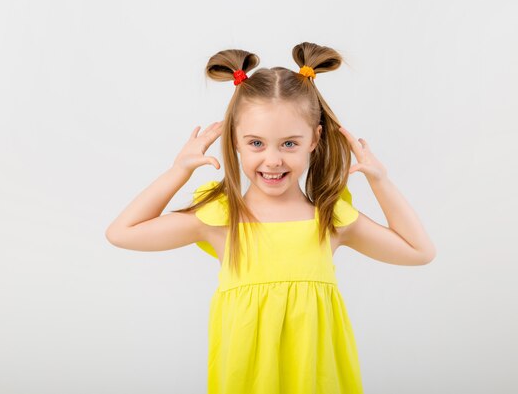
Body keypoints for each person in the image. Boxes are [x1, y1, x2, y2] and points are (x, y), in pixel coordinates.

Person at [105, 41, 437, 394]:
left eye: (289, 144)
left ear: (315, 138)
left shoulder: (331, 218)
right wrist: (178, 171)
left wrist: (381, 182)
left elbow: (419, 251)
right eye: (257, 143)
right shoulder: (220, 218)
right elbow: (121, 233)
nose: (273, 160)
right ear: (234, 139)